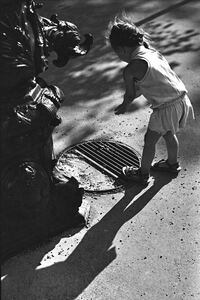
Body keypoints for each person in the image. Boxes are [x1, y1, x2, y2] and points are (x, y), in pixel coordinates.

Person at [0, 0, 93, 261]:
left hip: (28, 101)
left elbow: (26, 23)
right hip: (18, 105)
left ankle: (42, 193)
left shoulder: (16, 10)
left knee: (35, 160)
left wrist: (56, 32)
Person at [106, 15, 194, 185]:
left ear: (123, 49)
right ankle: (172, 164)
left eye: (117, 53)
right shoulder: (151, 52)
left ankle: (142, 174)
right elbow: (151, 83)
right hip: (181, 99)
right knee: (169, 133)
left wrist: (124, 105)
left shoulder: (131, 68)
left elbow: (132, 94)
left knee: (149, 141)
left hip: (166, 108)